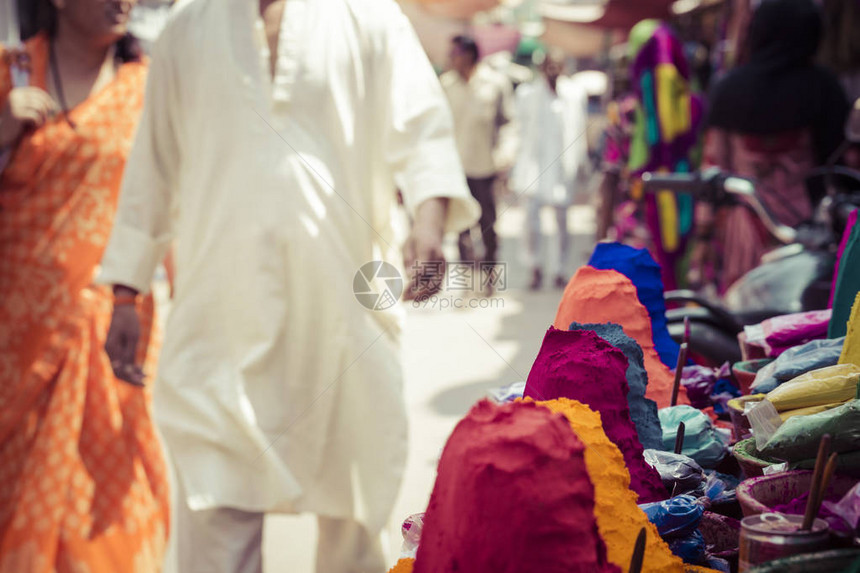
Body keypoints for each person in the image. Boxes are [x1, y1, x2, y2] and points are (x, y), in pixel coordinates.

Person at [99, 1, 479, 572]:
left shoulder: (368, 17)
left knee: (354, 511)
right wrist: (126, 288)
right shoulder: (188, 26)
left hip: (342, 320)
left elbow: (422, 127)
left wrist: (429, 223)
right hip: (218, 315)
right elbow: (153, 161)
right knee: (215, 507)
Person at [0, 0, 169, 571]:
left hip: (112, 321)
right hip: (13, 335)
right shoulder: (12, 73)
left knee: (100, 496)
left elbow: (170, 206)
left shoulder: (150, 88)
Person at [699, 0, 850, 292]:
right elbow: (838, 167)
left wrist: (704, 234)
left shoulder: (728, 88)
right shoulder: (824, 88)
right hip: (809, 234)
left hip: (746, 230)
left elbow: (714, 167)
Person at [627, 19, 703, 291]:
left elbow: (655, 127)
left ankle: (670, 295)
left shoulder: (652, 74)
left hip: (660, 170)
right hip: (675, 169)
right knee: (672, 243)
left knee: (668, 243)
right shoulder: (684, 87)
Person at [511, 49, 589, 290]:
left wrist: (581, 164)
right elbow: (519, 130)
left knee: (563, 222)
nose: (553, 68)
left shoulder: (575, 94)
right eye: (549, 64)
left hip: (562, 167)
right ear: (542, 67)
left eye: (558, 63)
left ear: (564, 66)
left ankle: (559, 270)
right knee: (531, 222)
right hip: (534, 166)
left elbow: (580, 131)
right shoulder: (527, 94)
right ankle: (534, 266)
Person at [441, 34, 517, 270]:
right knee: (461, 227)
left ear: (469, 55)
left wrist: (505, 154)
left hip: (485, 167)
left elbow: (509, 123)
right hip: (455, 168)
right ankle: (468, 279)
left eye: (455, 54)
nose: (451, 59)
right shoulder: (446, 85)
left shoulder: (495, 83)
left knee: (488, 225)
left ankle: (490, 273)